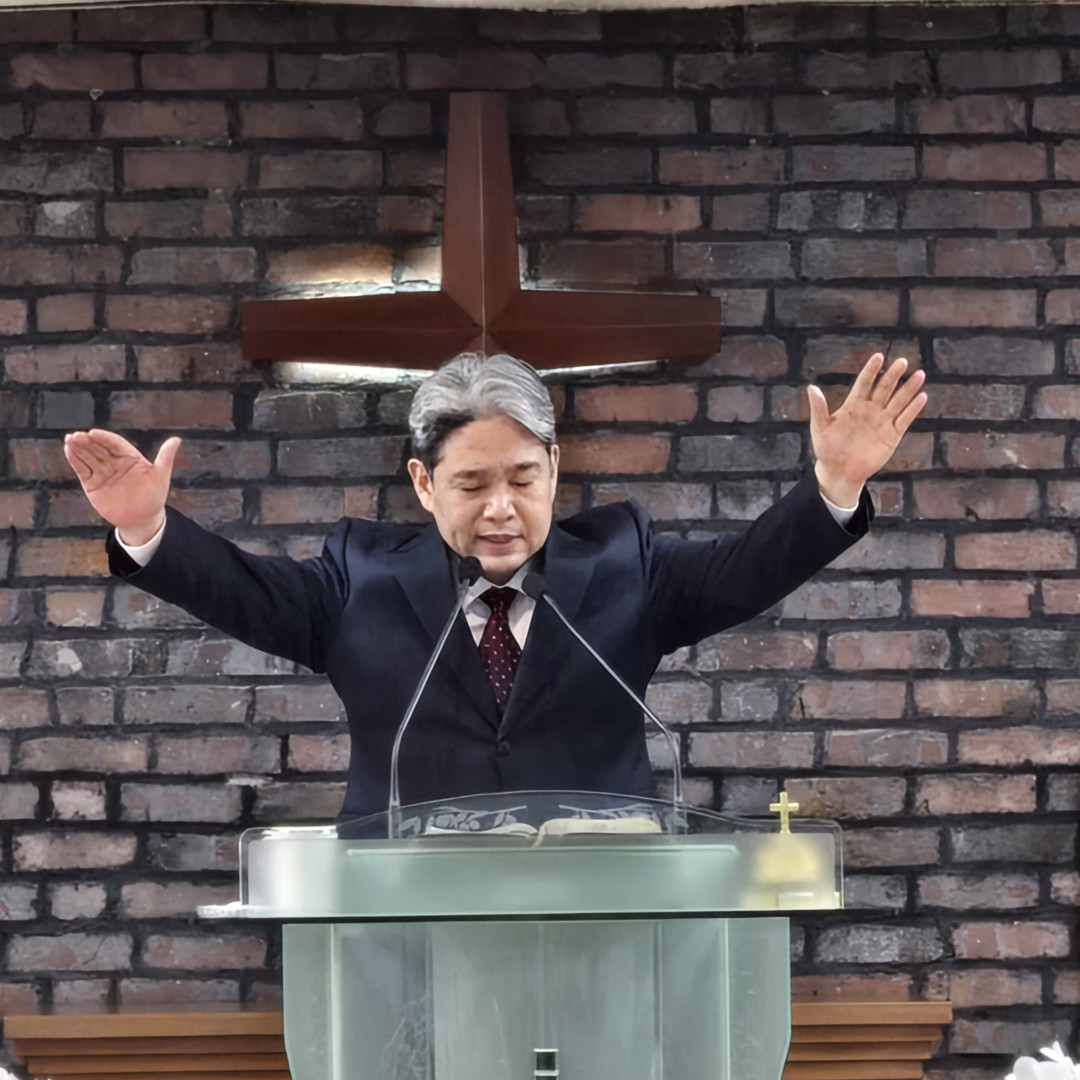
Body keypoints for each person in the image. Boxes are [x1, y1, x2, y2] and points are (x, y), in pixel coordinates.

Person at [64, 351, 926, 819]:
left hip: (602, 923)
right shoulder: (359, 578)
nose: (502, 509)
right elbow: (240, 590)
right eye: (473, 484)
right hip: (408, 928)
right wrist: (146, 528)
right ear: (423, 482)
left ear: (556, 466)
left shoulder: (626, 564)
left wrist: (835, 485)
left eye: (523, 477)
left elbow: (748, 569)